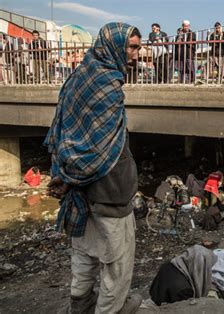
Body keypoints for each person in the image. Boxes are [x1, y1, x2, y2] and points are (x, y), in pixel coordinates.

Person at [44, 23, 142, 313]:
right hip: (108, 191)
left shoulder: (77, 77)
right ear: (114, 46)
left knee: (84, 253)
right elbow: (98, 148)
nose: (137, 54)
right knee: (117, 263)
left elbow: (65, 131)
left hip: (78, 189)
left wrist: (65, 174)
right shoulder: (108, 86)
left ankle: (80, 305)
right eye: (132, 47)